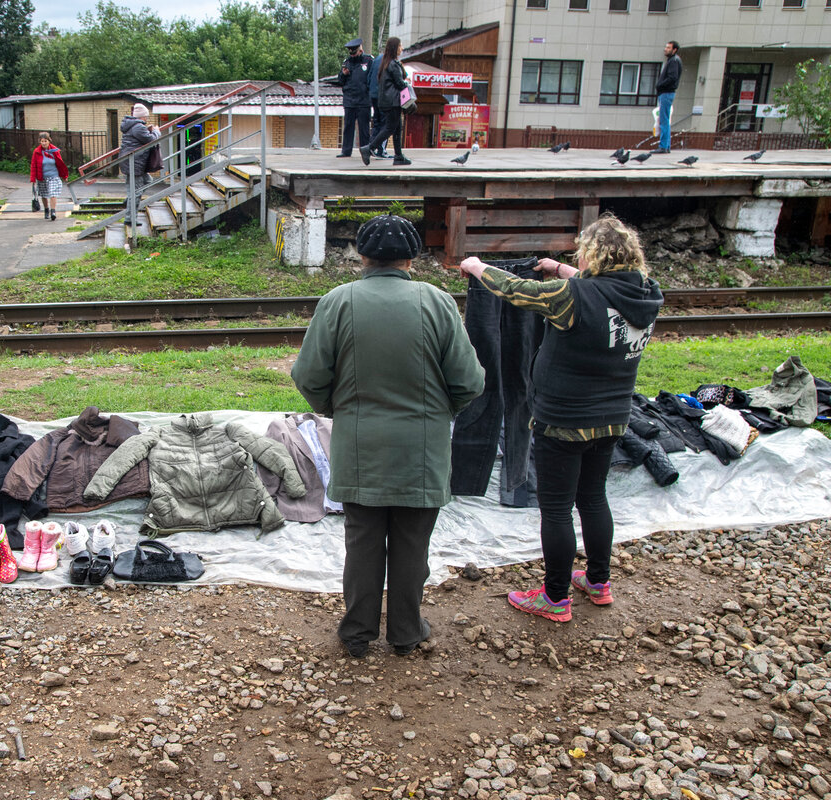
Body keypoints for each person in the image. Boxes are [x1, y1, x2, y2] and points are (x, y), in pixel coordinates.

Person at [292, 216, 484, 658]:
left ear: (361, 256)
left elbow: (309, 375)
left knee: (361, 543)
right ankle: (406, 632)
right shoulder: (437, 303)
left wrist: (334, 409)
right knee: (413, 543)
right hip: (423, 449)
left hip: (359, 447)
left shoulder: (338, 302)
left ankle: (357, 633)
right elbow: (469, 380)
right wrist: (440, 413)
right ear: (412, 258)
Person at [459, 214, 664, 623]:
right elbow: (601, 289)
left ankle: (554, 598)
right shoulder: (646, 293)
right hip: (613, 417)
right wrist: (559, 268)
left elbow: (519, 291)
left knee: (555, 509)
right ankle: (598, 582)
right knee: (593, 498)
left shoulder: (573, 297)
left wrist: (478, 268)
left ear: (593, 256)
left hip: (564, 420)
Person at [362, 37, 411, 166]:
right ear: (395, 48)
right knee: (390, 127)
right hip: (392, 101)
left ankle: (399, 156)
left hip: (387, 100)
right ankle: (369, 148)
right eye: (400, 46)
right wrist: (407, 86)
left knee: (397, 128)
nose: (402, 48)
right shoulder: (393, 64)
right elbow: (400, 83)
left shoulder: (386, 62)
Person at [332, 38, 374, 159]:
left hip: (364, 100)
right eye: (351, 52)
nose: (353, 55)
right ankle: (346, 151)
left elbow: (372, 78)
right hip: (350, 99)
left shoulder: (368, 60)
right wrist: (343, 74)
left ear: (360, 49)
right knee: (348, 126)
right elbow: (340, 81)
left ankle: (366, 151)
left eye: (354, 52)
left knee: (364, 128)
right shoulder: (347, 62)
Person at [119, 103, 159, 203]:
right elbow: (151, 140)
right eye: (146, 117)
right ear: (142, 116)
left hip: (131, 161)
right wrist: (156, 131)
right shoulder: (138, 127)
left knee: (148, 180)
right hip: (134, 162)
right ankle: (129, 217)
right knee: (135, 193)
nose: (146, 119)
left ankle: (129, 201)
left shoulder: (132, 126)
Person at [30, 132, 69, 221]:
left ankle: (53, 211)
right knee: (44, 195)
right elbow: (33, 165)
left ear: (49, 141)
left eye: (45, 141)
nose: (43, 143)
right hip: (42, 177)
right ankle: (46, 209)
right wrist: (33, 178)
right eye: (42, 141)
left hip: (53, 176)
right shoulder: (37, 152)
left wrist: (64, 175)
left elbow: (60, 164)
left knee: (52, 194)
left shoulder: (55, 151)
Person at [653, 41, 682, 154]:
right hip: (667, 93)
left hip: (666, 93)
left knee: (664, 120)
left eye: (668, 48)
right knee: (665, 119)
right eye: (666, 47)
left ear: (674, 50)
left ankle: (663, 146)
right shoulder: (673, 60)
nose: (665, 49)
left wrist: (660, 85)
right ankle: (666, 146)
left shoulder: (674, 61)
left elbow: (672, 77)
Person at [366, 50, 391, 160]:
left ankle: (371, 148)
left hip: (374, 94)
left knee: (376, 122)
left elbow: (369, 77)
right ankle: (381, 150)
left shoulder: (376, 59)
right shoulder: (390, 61)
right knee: (386, 124)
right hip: (384, 96)